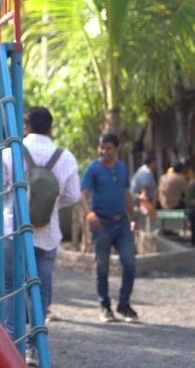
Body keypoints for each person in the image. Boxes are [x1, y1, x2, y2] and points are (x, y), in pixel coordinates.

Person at [1, 107, 80, 330]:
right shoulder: (65, 157)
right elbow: (73, 195)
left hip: (14, 230)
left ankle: (12, 338)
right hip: (47, 231)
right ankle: (36, 342)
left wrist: (15, 200)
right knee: (41, 287)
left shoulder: (10, 152)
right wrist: (51, 205)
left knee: (11, 285)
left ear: (26, 126)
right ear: (50, 128)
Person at [80, 133, 138, 323]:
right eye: (102, 148)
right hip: (102, 224)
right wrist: (89, 214)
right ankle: (105, 306)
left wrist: (133, 219)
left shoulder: (122, 168)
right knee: (102, 267)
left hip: (122, 223)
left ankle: (124, 304)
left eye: (108, 148)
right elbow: (84, 194)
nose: (104, 151)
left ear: (117, 149)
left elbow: (126, 194)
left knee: (130, 263)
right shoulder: (93, 169)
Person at [130, 153, 158, 218]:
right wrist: (150, 207)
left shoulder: (142, 169)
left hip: (139, 200)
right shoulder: (146, 172)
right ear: (152, 162)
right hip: (140, 201)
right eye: (156, 163)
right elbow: (144, 193)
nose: (156, 165)